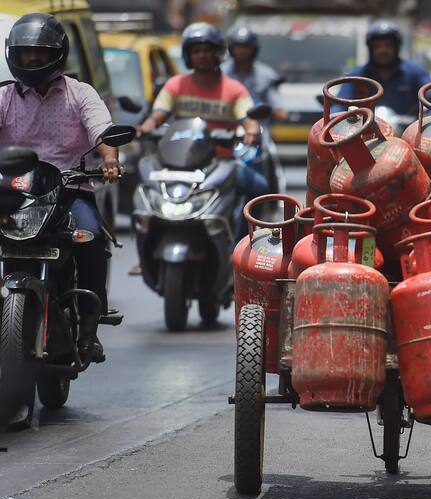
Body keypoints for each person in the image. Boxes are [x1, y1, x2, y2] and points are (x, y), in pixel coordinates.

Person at [0, 14, 124, 363]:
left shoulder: (80, 93)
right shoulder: (4, 97)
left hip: (69, 191)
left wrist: (109, 160)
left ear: (57, 54)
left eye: (39, 54)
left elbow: (103, 131)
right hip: (15, 194)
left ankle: (89, 326)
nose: (33, 61)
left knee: (91, 237)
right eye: (26, 56)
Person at [138, 22, 267, 241]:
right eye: (196, 51)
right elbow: (157, 116)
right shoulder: (175, 85)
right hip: (179, 163)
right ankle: (148, 247)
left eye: (207, 50)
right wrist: (143, 129)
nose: (202, 56)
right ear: (188, 55)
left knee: (260, 189)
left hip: (220, 163)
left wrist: (252, 131)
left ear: (218, 53)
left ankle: (243, 247)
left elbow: (248, 119)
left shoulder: (234, 89)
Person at [334, 20, 431, 116]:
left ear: (397, 47)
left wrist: (430, 114)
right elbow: (339, 106)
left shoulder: (416, 72)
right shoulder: (357, 75)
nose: (383, 50)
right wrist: (335, 115)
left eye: (388, 45)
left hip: (406, 132)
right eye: (377, 46)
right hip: (363, 131)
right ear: (370, 49)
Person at [222, 24, 287, 122]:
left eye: (246, 47)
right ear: (231, 49)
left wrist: (274, 111)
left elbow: (280, 111)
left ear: (253, 49)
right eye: (238, 47)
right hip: (226, 129)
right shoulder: (221, 73)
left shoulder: (266, 76)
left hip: (259, 130)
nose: (242, 51)